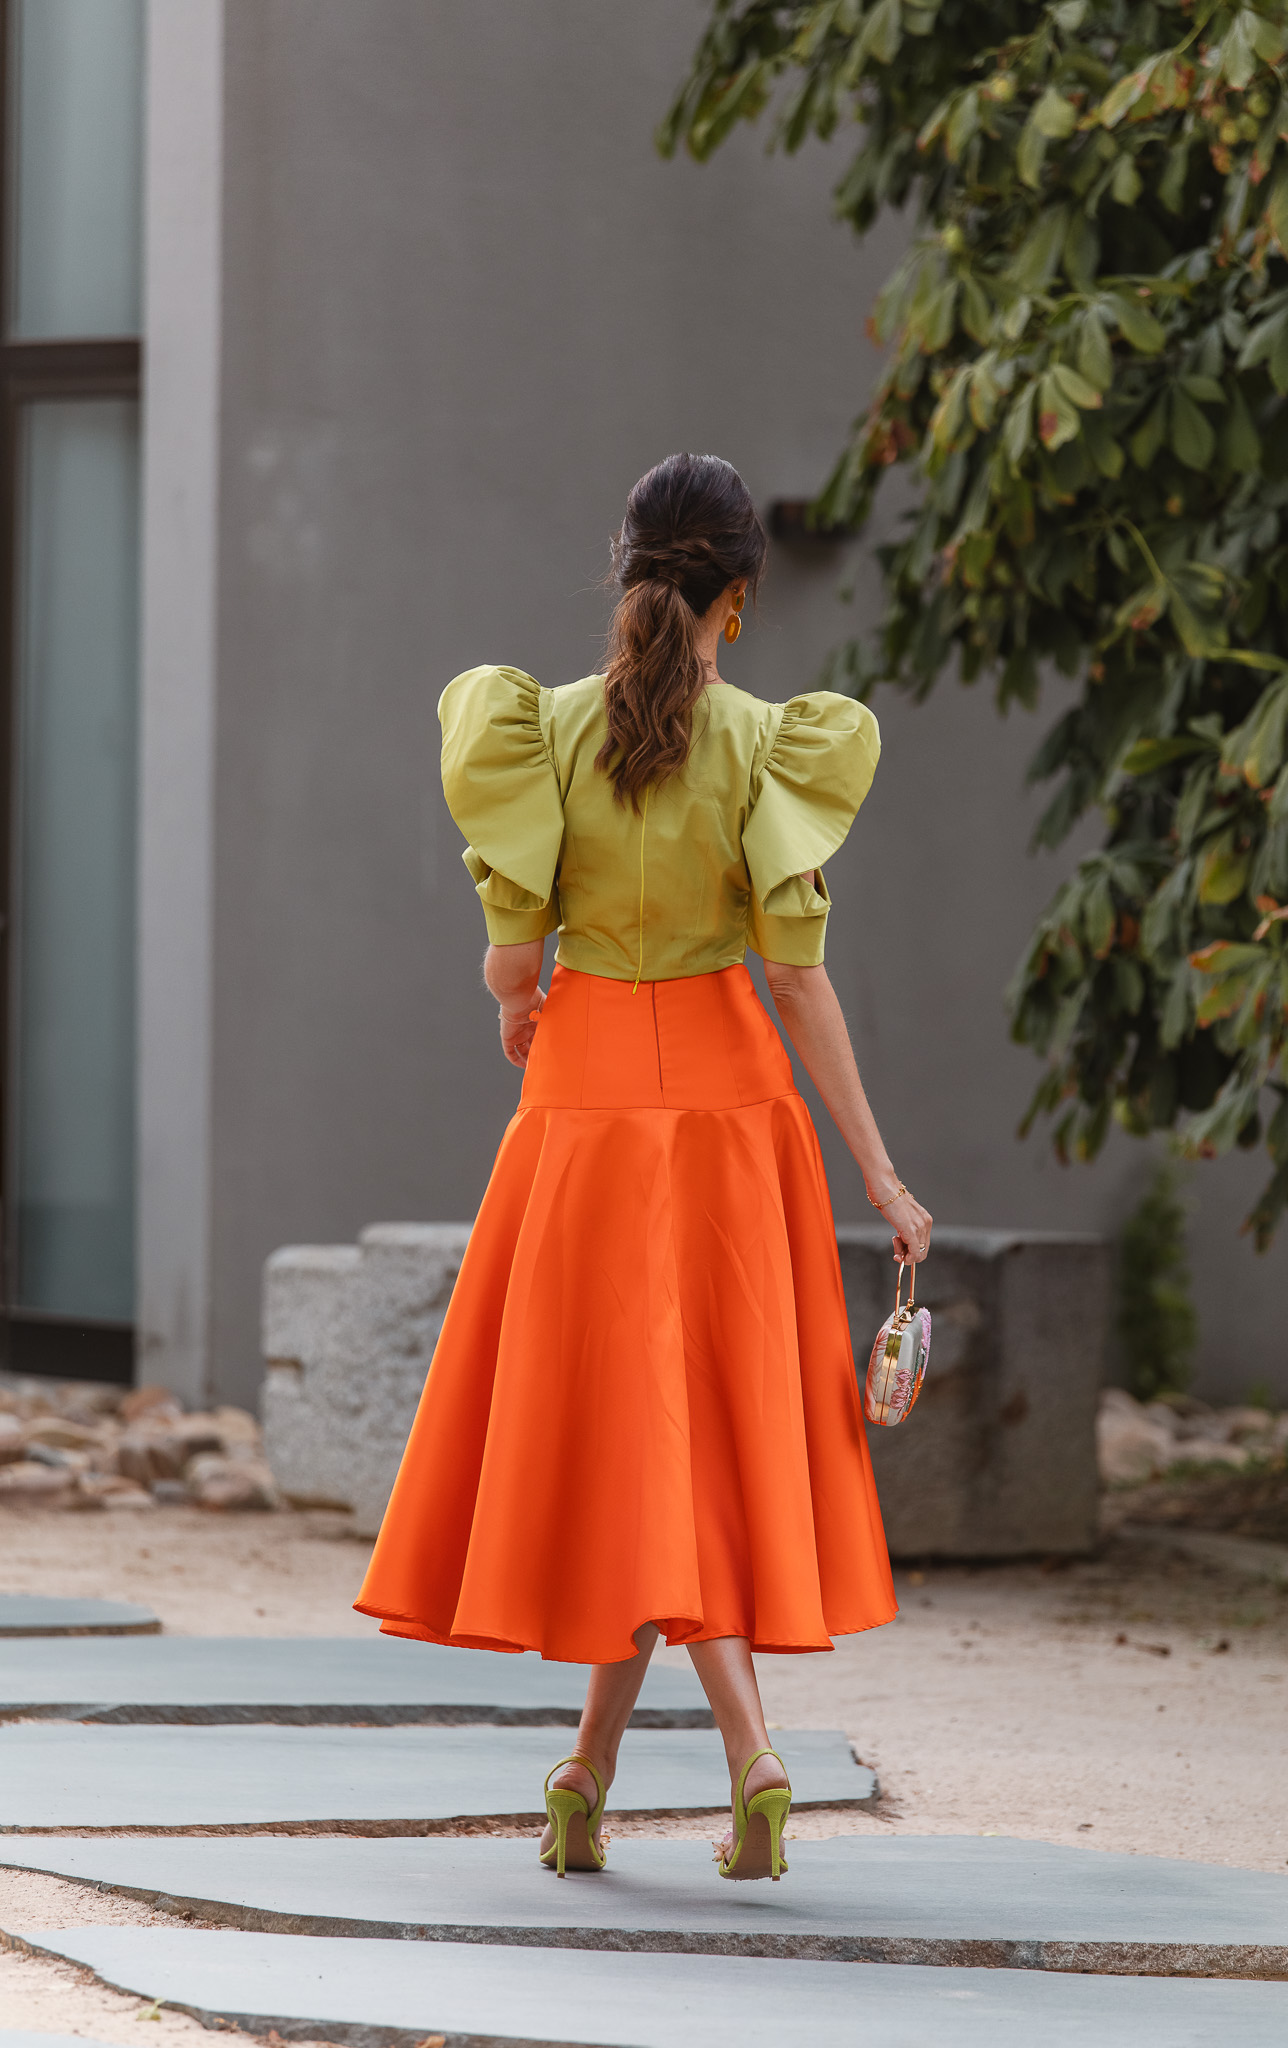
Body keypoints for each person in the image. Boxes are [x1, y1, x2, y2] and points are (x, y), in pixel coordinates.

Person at [355, 452, 932, 1884]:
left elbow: (513, 952)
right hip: (736, 1119)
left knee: (623, 1443)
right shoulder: (771, 746)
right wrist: (878, 1168)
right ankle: (718, 1756)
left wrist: (510, 1000)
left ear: (622, 574)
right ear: (736, 598)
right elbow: (797, 984)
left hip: (582, 1114)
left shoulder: (533, 731)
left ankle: (614, 1771)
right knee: (697, 1450)